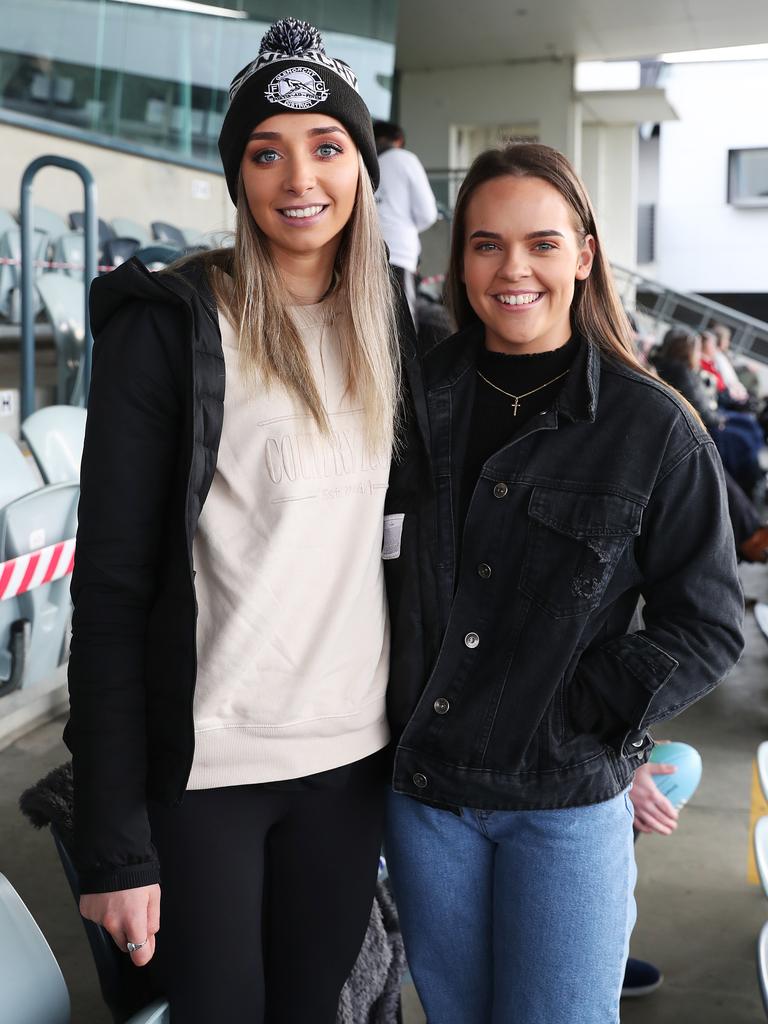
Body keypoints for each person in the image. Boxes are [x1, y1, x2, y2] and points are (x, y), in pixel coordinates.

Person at [65, 17, 424, 1023]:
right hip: (209, 771)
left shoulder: (393, 323)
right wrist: (115, 843)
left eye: (325, 147)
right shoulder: (171, 325)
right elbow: (113, 589)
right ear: (238, 177)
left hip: (350, 764)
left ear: (362, 164)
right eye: (265, 152)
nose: (297, 176)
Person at [381, 143, 744, 1024]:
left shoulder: (654, 427)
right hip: (426, 799)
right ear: (456, 258)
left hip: (563, 802)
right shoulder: (402, 404)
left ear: (583, 256)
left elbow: (709, 625)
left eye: (543, 244)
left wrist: (578, 708)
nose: (515, 270)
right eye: (487, 244)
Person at [373, 119, 438, 324]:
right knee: (403, 322)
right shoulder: (405, 159)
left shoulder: (363, 162)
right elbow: (428, 213)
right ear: (399, 140)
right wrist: (407, 229)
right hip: (399, 252)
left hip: (364, 249)